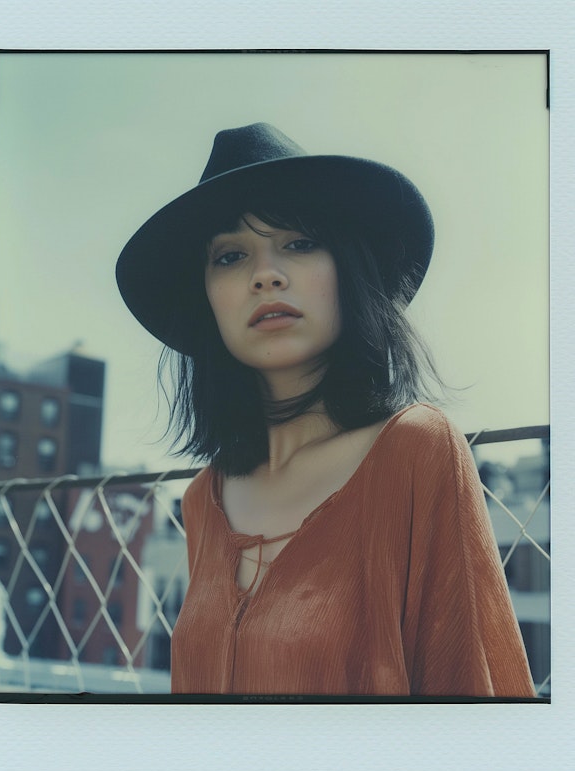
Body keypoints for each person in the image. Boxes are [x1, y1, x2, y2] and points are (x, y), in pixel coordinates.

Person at [116, 122, 536, 697]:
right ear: (207, 297)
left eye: (299, 243)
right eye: (231, 255)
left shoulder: (416, 449)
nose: (265, 274)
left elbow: (471, 697)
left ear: (347, 271)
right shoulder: (203, 499)